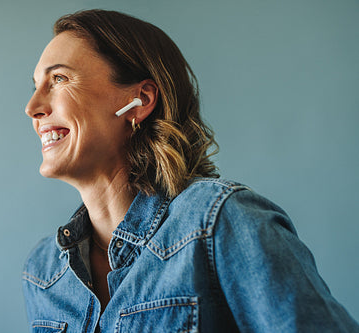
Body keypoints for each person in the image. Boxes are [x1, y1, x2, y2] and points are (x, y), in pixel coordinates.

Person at [22, 9, 359, 333]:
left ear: (140, 100)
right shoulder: (43, 271)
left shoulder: (223, 222)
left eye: (59, 79)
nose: (32, 108)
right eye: (35, 85)